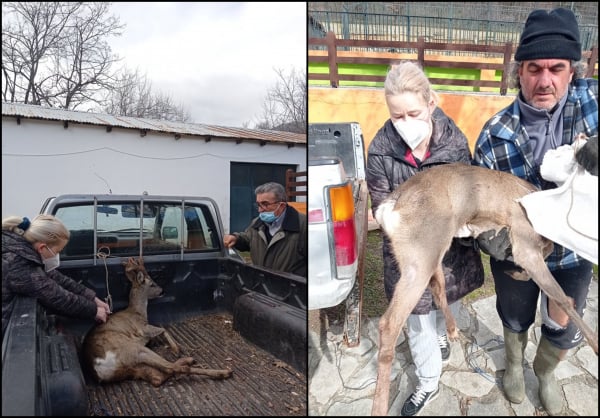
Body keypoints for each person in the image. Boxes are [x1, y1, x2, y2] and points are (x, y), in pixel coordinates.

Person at [472, 7, 598, 416]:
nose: (544, 81)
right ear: (519, 72)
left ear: (572, 70)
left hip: (573, 251)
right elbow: (479, 214)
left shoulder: (593, 106)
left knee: (563, 318)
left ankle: (544, 372)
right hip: (518, 253)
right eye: (533, 68)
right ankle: (513, 364)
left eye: (556, 68)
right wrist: (508, 249)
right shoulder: (495, 134)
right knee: (514, 314)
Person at [366, 61, 484, 416]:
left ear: (431, 104)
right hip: (410, 256)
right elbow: (381, 203)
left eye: (412, 113)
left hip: (451, 252)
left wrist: (464, 219)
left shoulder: (454, 142)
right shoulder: (381, 150)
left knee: (449, 299)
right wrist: (389, 216)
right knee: (417, 320)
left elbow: (468, 192)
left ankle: (442, 342)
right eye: (396, 115)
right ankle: (429, 382)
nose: (404, 124)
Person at [2, 214, 111, 338]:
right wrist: (94, 311)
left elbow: (58, 279)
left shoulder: (22, 251)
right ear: (42, 247)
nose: (57, 256)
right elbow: (57, 297)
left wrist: (93, 298)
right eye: (58, 251)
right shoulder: (17, 264)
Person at [223, 182, 307, 277]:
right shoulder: (257, 223)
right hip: (263, 286)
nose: (260, 210)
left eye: (265, 204)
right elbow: (248, 239)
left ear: (282, 205)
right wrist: (236, 239)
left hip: (291, 288)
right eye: (258, 205)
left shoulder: (303, 225)